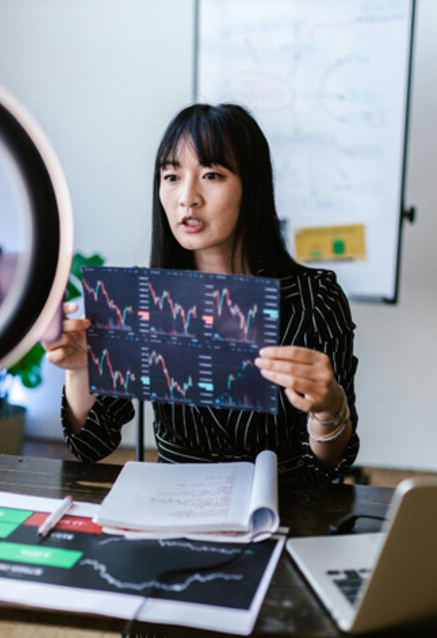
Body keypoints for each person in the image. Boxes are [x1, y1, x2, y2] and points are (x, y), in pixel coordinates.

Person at [45, 103, 358, 483]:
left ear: (252, 187)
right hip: (173, 508)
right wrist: (80, 371)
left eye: (211, 174)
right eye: (172, 176)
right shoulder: (141, 297)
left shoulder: (315, 297)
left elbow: (329, 466)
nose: (187, 197)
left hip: (281, 508)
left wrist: (329, 411)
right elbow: (90, 446)